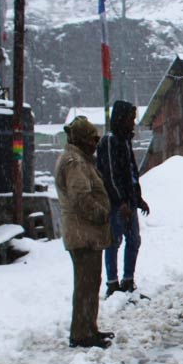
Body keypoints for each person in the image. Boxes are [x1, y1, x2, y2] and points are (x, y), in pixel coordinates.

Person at [55, 116, 113, 349]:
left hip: (86, 233)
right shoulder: (74, 162)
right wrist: (101, 213)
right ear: (81, 139)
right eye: (92, 139)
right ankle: (81, 333)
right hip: (83, 232)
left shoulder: (80, 159)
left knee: (91, 282)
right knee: (85, 284)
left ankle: (89, 327)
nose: (95, 143)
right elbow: (81, 197)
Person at [97, 100, 150, 297]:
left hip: (129, 202)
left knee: (134, 240)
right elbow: (111, 175)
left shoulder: (125, 140)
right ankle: (112, 283)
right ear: (121, 119)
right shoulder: (110, 141)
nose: (133, 123)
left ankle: (128, 280)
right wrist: (120, 202)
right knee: (114, 241)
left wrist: (138, 198)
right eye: (130, 119)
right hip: (116, 204)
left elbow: (131, 173)